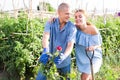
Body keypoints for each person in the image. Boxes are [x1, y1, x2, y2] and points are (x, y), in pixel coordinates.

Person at [36, 3, 77, 80]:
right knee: (40, 78)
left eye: (70, 13)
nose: (69, 16)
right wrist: (45, 50)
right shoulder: (50, 23)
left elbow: (70, 45)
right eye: (67, 13)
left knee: (65, 78)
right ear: (59, 13)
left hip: (64, 61)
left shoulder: (71, 27)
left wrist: (64, 56)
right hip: (49, 58)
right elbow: (45, 37)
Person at [74, 9, 102, 80]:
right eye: (76, 17)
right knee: (89, 77)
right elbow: (63, 22)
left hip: (93, 57)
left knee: (84, 77)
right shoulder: (75, 28)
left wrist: (93, 47)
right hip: (82, 57)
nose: (77, 19)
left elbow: (99, 44)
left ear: (85, 18)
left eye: (80, 16)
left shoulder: (92, 29)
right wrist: (53, 19)